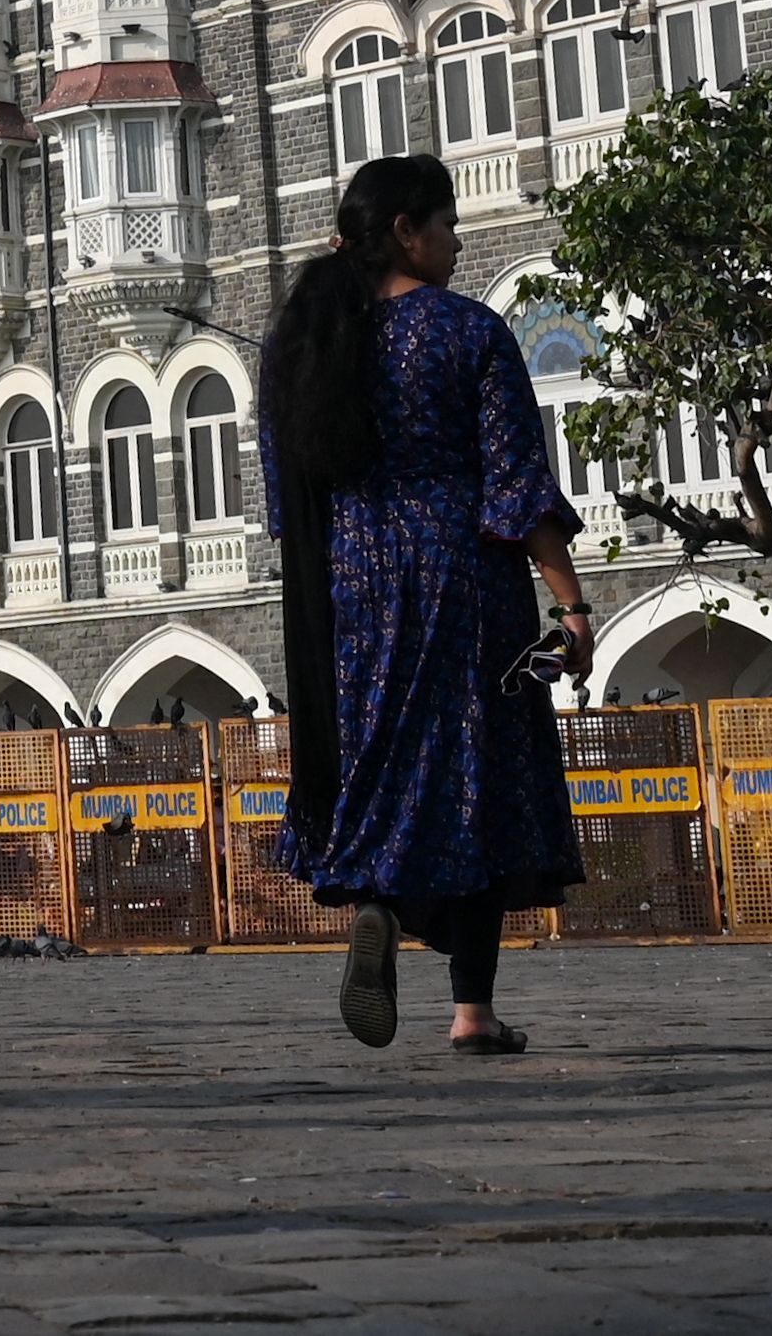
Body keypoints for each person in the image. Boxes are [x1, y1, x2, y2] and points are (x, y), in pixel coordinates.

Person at [261, 153, 589, 1054]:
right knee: (474, 777)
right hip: (462, 580)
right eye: (445, 223)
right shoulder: (467, 332)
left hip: (348, 588)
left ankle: (376, 898)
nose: (456, 239)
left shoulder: (303, 345)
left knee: (382, 758)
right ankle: (471, 1011)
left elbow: (284, 499)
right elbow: (516, 488)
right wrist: (570, 607)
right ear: (407, 231)